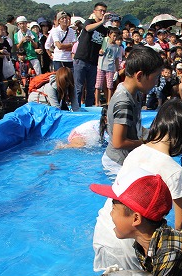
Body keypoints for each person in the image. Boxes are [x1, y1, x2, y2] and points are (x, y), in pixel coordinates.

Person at [93, 98, 182, 273]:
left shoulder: (136, 152)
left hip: (105, 228)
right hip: (130, 239)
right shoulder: (174, 170)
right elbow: (180, 225)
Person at [101, 46, 163, 176]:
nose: (157, 82)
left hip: (125, 160)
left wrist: (152, 134)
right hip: (117, 164)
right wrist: (148, 143)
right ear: (140, 75)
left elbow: (134, 128)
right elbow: (119, 142)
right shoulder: (124, 102)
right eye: (156, 77)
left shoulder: (133, 93)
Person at [73, 2, 110, 107]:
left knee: (91, 88)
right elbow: (88, 28)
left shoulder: (104, 30)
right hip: (81, 59)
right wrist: (102, 21)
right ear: (95, 11)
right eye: (100, 10)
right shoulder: (89, 21)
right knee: (78, 87)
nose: (102, 13)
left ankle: (88, 109)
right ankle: (76, 108)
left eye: (104, 11)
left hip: (93, 62)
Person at [95, 28, 121, 106]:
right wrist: (100, 52)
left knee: (110, 85)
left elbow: (116, 59)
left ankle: (109, 101)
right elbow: (100, 52)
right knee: (98, 85)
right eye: (113, 36)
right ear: (109, 35)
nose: (115, 38)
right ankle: (96, 102)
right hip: (101, 67)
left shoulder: (117, 47)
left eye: (116, 36)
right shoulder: (105, 42)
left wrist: (117, 69)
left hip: (110, 68)